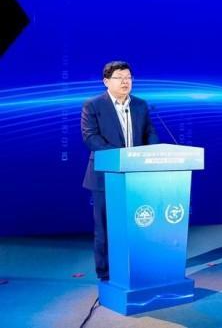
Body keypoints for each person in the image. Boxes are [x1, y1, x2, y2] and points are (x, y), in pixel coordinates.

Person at [80, 61, 159, 281]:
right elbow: (90, 137)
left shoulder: (140, 105)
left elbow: (150, 133)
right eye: (120, 77)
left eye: (128, 77)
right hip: (105, 177)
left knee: (138, 224)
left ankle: (138, 267)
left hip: (137, 176)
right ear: (106, 81)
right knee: (105, 229)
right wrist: (122, 158)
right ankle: (106, 274)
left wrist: (152, 154)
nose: (125, 82)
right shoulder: (93, 105)